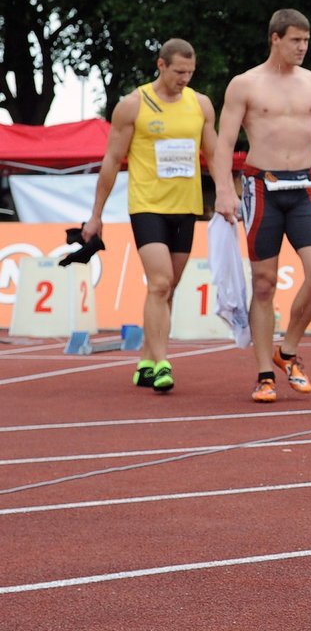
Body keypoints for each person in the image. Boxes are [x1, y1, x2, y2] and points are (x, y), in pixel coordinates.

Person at [212, 9, 311, 404]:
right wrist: (225, 190)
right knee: (264, 284)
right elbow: (224, 143)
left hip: (303, 187)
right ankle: (263, 374)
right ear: (275, 38)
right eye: (295, 40)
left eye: (306, 41)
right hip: (261, 188)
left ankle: (287, 350)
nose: (303, 47)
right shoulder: (245, 85)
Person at [82, 38, 218, 393]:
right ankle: (161, 363)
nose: (184, 78)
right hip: (147, 206)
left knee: (167, 288)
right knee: (159, 283)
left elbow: (214, 153)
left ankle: (144, 358)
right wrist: (95, 215)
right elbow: (112, 161)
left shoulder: (201, 104)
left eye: (190, 72)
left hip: (186, 207)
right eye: (178, 72)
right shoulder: (133, 105)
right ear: (161, 65)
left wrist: (227, 195)